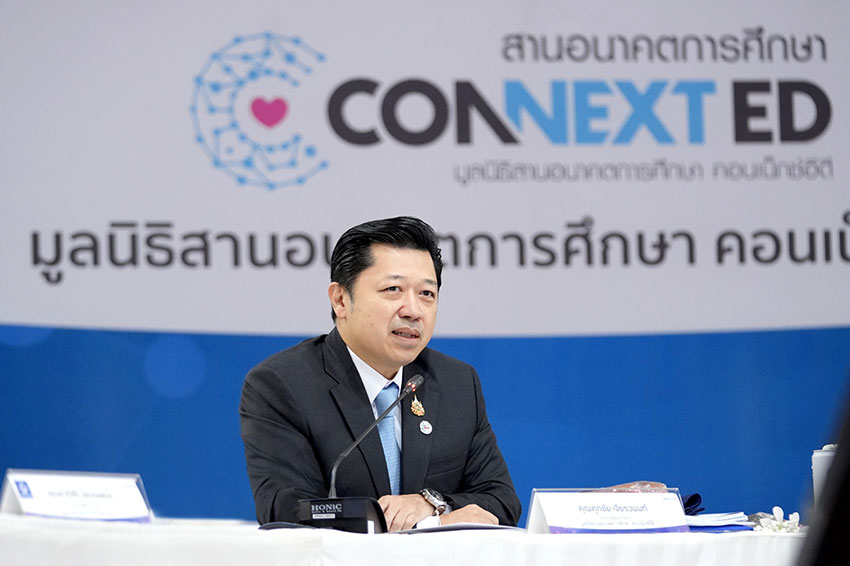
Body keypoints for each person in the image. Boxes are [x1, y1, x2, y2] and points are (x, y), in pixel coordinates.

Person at [239, 216, 521, 531]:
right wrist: (398, 523)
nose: (413, 310)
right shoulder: (282, 385)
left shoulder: (456, 382)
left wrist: (431, 504)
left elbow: (501, 501)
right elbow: (287, 511)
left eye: (426, 294)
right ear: (341, 300)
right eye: (393, 289)